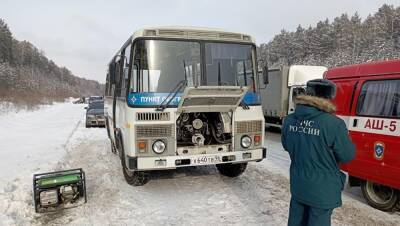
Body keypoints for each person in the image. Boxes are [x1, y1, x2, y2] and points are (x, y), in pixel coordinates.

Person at [281, 79, 355, 226]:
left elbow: (287, 145)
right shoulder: (334, 124)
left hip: (299, 184)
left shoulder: (289, 120)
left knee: (296, 221)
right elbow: (347, 155)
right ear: (328, 97)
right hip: (322, 189)